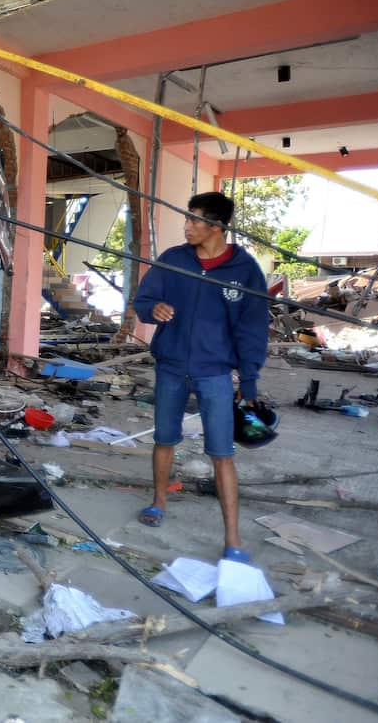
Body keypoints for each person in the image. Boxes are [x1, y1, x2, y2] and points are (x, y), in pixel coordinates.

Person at [132, 191, 269, 563]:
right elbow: (142, 300)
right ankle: (159, 502)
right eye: (187, 219)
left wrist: (250, 380)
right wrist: (152, 309)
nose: (187, 226)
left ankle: (233, 540)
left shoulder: (245, 272)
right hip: (171, 367)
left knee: (222, 453)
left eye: (194, 220)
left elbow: (253, 328)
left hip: (216, 374)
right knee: (164, 439)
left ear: (217, 225)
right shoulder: (173, 260)